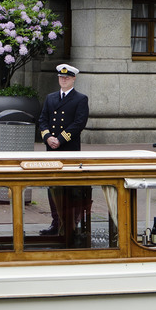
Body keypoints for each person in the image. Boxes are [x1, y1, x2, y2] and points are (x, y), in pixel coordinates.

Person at [37, 64, 89, 236]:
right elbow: (42, 120)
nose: (63, 80)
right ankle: (56, 222)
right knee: (53, 186)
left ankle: (70, 223)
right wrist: (47, 137)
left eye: (67, 77)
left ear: (74, 78)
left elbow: (79, 124)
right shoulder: (50, 98)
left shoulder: (80, 99)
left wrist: (59, 139)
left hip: (69, 150)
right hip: (52, 149)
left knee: (68, 186)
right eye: (61, 77)